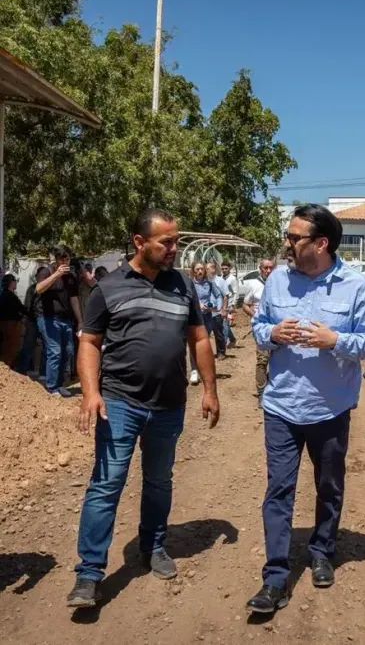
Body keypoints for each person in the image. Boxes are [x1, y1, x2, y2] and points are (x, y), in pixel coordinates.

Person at [67, 208, 220, 610]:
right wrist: (90, 393)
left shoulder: (183, 285)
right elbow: (89, 343)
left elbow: (199, 338)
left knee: (158, 481)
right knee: (107, 484)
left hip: (169, 405)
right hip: (119, 402)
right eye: (166, 242)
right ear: (139, 242)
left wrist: (210, 389)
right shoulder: (109, 287)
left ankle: (153, 546)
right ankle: (88, 574)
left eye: (176, 241)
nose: (174, 249)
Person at [246, 204, 365, 614]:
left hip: (330, 409)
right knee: (278, 490)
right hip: (282, 406)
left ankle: (322, 550)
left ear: (321, 244)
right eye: (288, 236)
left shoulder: (355, 287)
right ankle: (275, 578)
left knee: (329, 485)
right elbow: (257, 329)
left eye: (294, 237)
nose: (286, 244)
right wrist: (272, 332)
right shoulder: (276, 280)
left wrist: (335, 340)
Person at [35, 246, 83, 397]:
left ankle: (60, 384)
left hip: (66, 319)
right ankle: (52, 387)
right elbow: (39, 288)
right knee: (55, 351)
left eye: (67, 259)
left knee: (68, 351)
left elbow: (74, 299)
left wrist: (80, 320)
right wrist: (56, 274)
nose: (65, 262)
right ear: (56, 259)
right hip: (48, 317)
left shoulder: (70, 277)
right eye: (62, 259)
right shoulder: (46, 272)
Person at [242, 259, 275, 408]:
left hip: (277, 329)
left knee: (277, 360)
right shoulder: (253, 285)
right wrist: (254, 315)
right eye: (265, 268)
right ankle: (261, 394)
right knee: (262, 360)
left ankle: (272, 388)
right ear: (260, 268)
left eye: (271, 268)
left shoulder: (278, 284)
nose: (268, 271)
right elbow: (245, 304)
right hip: (261, 329)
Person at [188, 261, 217, 385]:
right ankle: (194, 370)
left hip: (207, 316)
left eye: (202, 269)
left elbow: (216, 296)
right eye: (197, 269)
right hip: (194, 317)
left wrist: (212, 304)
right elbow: (188, 298)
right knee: (194, 342)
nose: (200, 271)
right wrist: (197, 304)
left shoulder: (209, 284)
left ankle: (205, 369)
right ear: (193, 271)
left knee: (205, 343)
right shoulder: (189, 284)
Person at [16, 266, 48, 377]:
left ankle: (43, 373)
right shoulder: (32, 288)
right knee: (28, 346)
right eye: (40, 276)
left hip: (45, 320)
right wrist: (26, 318)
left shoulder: (49, 288)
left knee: (46, 347)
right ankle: (21, 371)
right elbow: (27, 304)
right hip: (33, 321)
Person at [0, 274, 28, 366]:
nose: (16, 283)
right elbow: (19, 308)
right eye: (15, 281)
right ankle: (6, 366)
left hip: (7, 323)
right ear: (11, 283)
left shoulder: (4, 294)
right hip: (10, 324)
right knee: (10, 346)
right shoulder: (9, 296)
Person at [205, 261, 228, 361]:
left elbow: (225, 296)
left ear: (213, 269)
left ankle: (221, 352)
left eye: (207, 268)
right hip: (206, 312)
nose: (205, 270)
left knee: (218, 333)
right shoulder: (204, 281)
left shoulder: (220, 281)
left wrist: (224, 309)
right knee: (205, 334)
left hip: (216, 312)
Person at [221, 260, 238, 348]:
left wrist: (233, 305)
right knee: (223, 323)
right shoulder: (221, 278)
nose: (224, 270)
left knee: (225, 323)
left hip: (229, 304)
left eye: (226, 268)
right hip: (222, 304)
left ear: (229, 269)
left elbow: (236, 293)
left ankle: (223, 344)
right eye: (223, 268)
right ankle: (232, 339)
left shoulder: (232, 279)